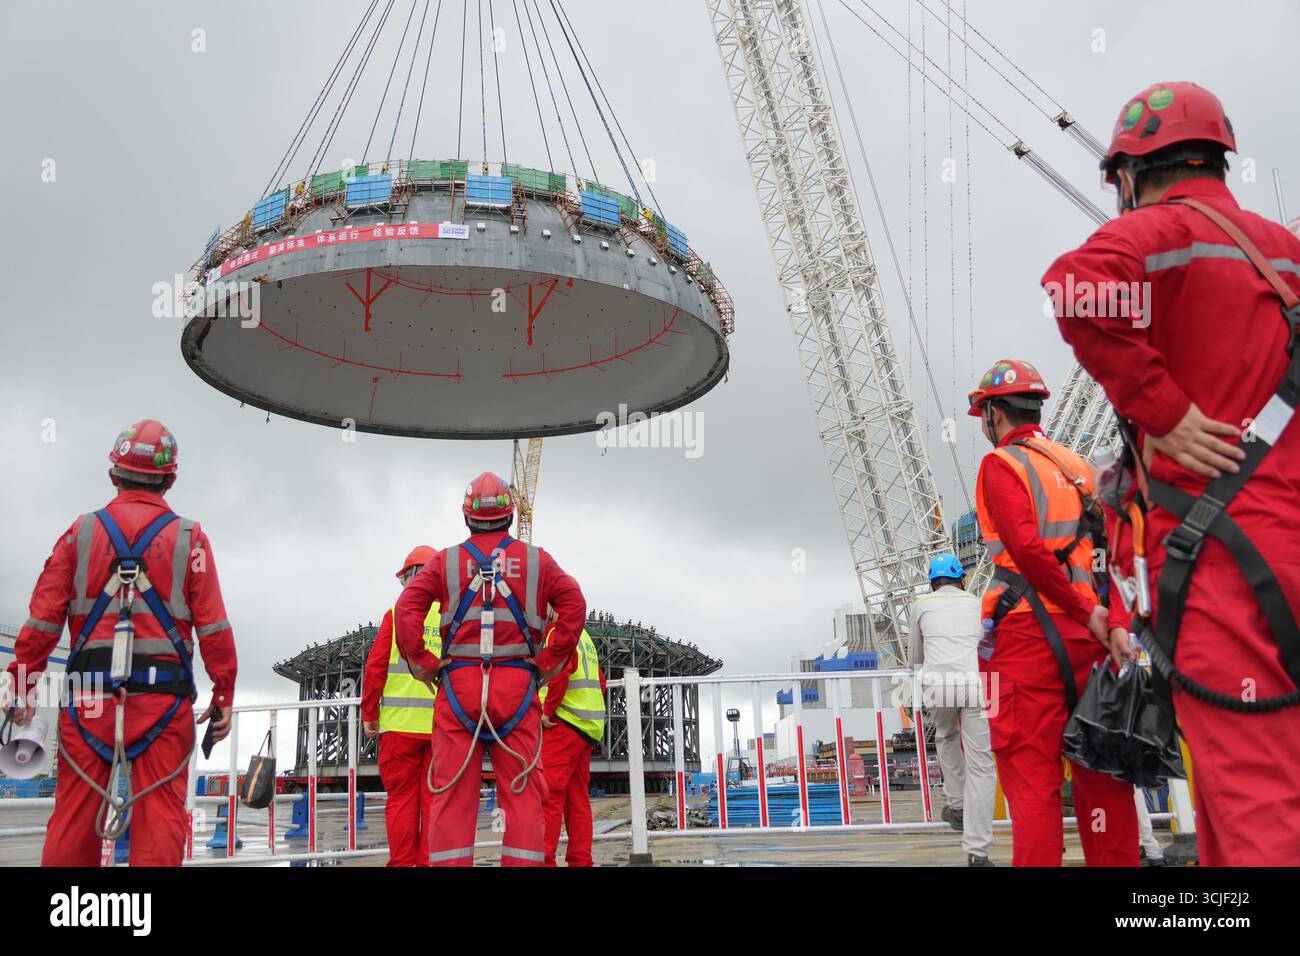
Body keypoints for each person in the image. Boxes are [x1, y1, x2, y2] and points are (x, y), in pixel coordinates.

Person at [1043, 82, 1300, 866]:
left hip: (1224, 559)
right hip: (1283, 540)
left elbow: (1073, 287)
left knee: (1255, 795)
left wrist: (1163, 408)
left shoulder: (1161, 232)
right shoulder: (1284, 255)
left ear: (1127, 173)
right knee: (1240, 788)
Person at [3, 419, 236, 866]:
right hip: (163, 706)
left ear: (113, 474)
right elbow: (214, 628)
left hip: (88, 699)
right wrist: (223, 693)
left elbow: (43, 618)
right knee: (161, 821)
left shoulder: (79, 534)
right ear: (171, 479)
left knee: (73, 820)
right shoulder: (191, 540)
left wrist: (21, 686)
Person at [969, 362, 1139, 866]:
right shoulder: (1082, 469)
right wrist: (1112, 622)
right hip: (1092, 643)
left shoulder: (1002, 464)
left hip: (1027, 641)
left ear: (993, 413)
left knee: (1032, 785)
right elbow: (1118, 555)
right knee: (1104, 779)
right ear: (1038, 406)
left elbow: (1025, 548)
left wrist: (1083, 609)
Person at [394, 472, 586, 866]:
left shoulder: (444, 561)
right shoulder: (537, 561)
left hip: (457, 688)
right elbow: (574, 606)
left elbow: (407, 608)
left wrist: (424, 665)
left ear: (466, 516)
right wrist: (550, 661)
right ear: (510, 515)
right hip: (517, 687)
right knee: (524, 797)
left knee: (450, 799)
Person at [908, 552, 995, 866]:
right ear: (961, 579)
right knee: (983, 766)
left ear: (932, 582)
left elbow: (915, 658)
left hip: (940, 683)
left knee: (945, 736)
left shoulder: (921, 605)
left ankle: (956, 803)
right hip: (983, 684)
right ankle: (978, 850)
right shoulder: (978, 601)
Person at [361, 546, 441, 866]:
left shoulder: (395, 615)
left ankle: (402, 863)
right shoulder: (451, 616)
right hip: (441, 729)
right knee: (434, 803)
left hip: (398, 729)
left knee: (401, 801)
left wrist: (370, 713)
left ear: (409, 577)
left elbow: (376, 667)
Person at [539, 621, 606, 867]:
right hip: (587, 727)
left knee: (549, 795)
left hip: (564, 724)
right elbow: (601, 682)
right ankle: (581, 860)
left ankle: (544, 860)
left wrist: (547, 711)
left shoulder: (558, 632)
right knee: (577, 799)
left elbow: (559, 675)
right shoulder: (584, 636)